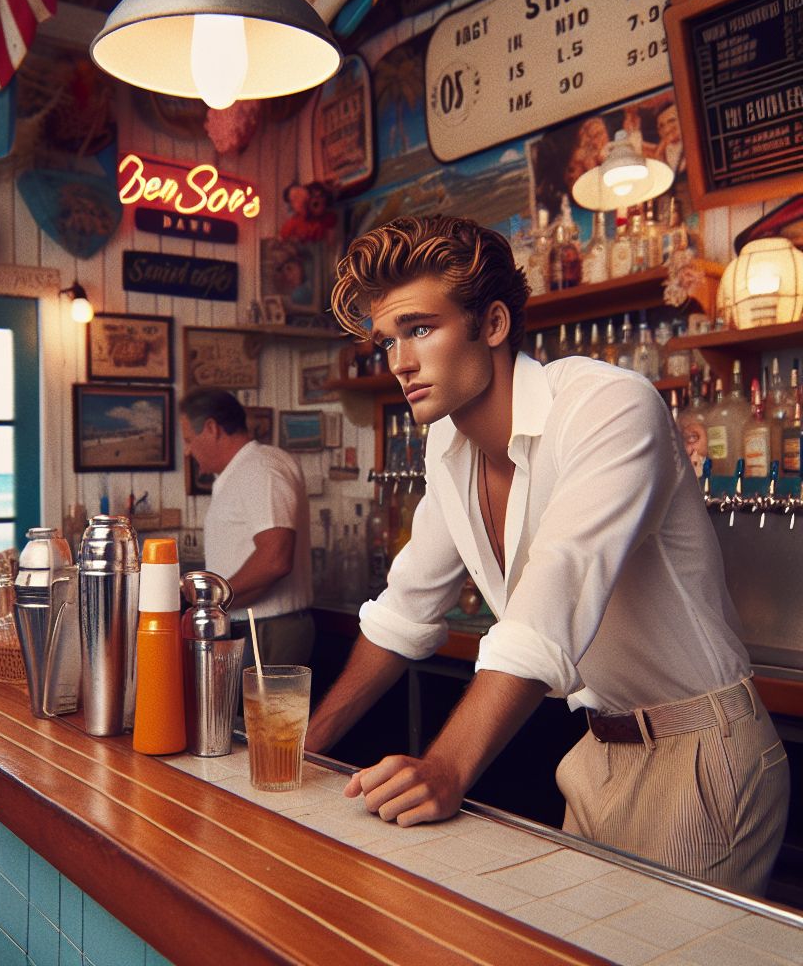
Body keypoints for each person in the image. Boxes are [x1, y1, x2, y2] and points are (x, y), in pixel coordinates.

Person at [305, 215, 788, 897]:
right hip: (597, 751)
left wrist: (446, 766)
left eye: (419, 329)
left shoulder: (607, 407)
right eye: (389, 340)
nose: (399, 362)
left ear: (493, 324)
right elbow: (401, 617)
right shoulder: (448, 453)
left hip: (701, 750)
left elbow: (549, 600)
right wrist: (301, 749)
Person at [179, 388, 314, 667]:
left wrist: (212, 600)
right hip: (254, 627)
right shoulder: (242, 471)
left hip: (268, 630)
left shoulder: (259, 468)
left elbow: (275, 560)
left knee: (266, 712)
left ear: (212, 428)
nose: (188, 451)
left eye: (189, 440)